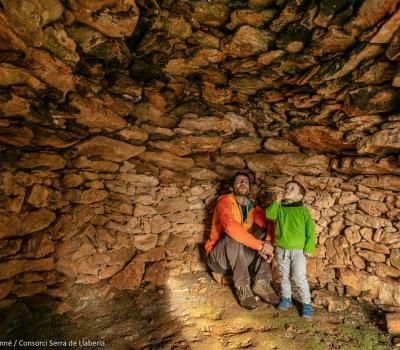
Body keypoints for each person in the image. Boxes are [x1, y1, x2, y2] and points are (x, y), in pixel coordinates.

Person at [205, 172, 279, 310]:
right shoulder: (224, 201)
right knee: (234, 235)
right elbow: (230, 226)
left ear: (249, 189)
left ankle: (261, 283)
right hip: (218, 259)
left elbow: (268, 223)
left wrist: (267, 242)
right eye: (239, 181)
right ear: (232, 188)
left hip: (239, 256)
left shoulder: (251, 206)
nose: (243, 183)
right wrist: (258, 246)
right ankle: (242, 287)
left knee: (263, 233)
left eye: (245, 181)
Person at [265, 181, 316, 318]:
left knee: (300, 277)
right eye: (286, 187)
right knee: (284, 276)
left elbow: (310, 231)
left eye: (292, 188)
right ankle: (286, 298)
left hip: (299, 251)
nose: (287, 189)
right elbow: (269, 215)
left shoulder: (303, 211)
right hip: (282, 250)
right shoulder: (280, 208)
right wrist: (276, 201)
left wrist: (309, 247)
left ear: (299, 197)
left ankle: (306, 303)